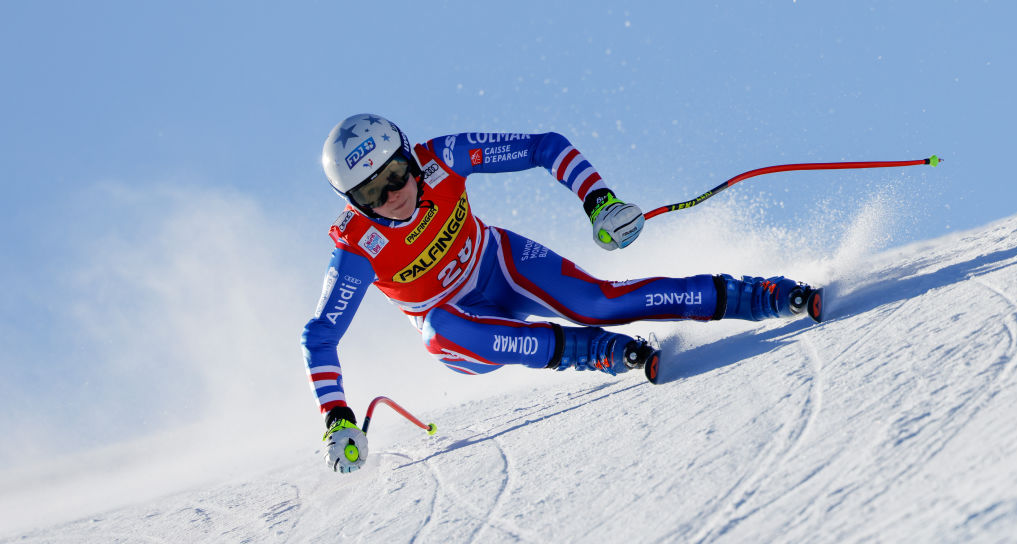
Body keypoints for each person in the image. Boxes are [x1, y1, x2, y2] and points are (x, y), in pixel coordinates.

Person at [303, 114, 821, 473]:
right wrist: (336, 419)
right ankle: (594, 353)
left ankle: (765, 295)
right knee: (438, 331)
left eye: (395, 174)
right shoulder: (358, 244)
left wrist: (598, 199)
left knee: (600, 302)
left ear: (407, 156)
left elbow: (542, 146)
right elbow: (321, 334)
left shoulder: (442, 157)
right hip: (464, 329)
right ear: (354, 203)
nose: (394, 195)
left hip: (499, 263)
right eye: (373, 193)